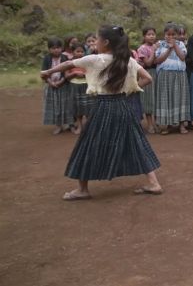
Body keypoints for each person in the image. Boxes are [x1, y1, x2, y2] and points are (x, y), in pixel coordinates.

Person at [40, 25, 163, 200]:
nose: (95, 42)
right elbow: (148, 78)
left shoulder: (95, 59)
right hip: (123, 106)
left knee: (88, 144)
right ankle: (154, 183)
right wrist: (129, 91)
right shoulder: (127, 60)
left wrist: (48, 71)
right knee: (136, 142)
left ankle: (83, 189)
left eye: (97, 39)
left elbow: (67, 64)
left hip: (103, 107)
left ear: (105, 42)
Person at [154, 23, 191, 134]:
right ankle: (168, 125)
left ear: (177, 35)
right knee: (167, 99)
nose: (170, 37)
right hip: (164, 75)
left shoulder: (181, 44)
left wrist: (174, 46)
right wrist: (169, 49)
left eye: (173, 34)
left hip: (179, 75)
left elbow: (182, 57)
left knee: (180, 99)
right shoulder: (160, 45)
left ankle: (181, 125)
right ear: (164, 35)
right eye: (168, 34)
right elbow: (158, 60)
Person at [42, 37, 74, 134]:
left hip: (64, 86)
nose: (56, 50)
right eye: (53, 48)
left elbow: (67, 72)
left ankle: (69, 125)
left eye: (58, 47)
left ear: (61, 48)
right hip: (51, 86)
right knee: (55, 106)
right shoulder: (46, 58)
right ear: (49, 49)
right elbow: (44, 72)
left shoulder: (65, 58)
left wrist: (61, 82)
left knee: (67, 105)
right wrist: (50, 82)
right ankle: (58, 126)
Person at [65, 44, 91, 134]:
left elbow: (93, 74)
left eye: (82, 51)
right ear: (73, 52)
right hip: (75, 87)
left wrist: (84, 75)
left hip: (86, 86)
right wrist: (74, 74)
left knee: (88, 108)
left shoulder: (87, 63)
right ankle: (80, 126)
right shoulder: (69, 63)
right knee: (78, 108)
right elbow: (66, 76)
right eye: (77, 51)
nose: (80, 53)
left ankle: (87, 127)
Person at [137, 27, 158, 133]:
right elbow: (148, 63)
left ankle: (157, 123)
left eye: (153, 34)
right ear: (144, 36)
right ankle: (150, 125)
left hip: (157, 73)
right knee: (148, 99)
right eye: (149, 34)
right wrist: (154, 50)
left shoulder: (158, 46)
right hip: (147, 73)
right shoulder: (142, 49)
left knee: (157, 98)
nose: (151, 36)